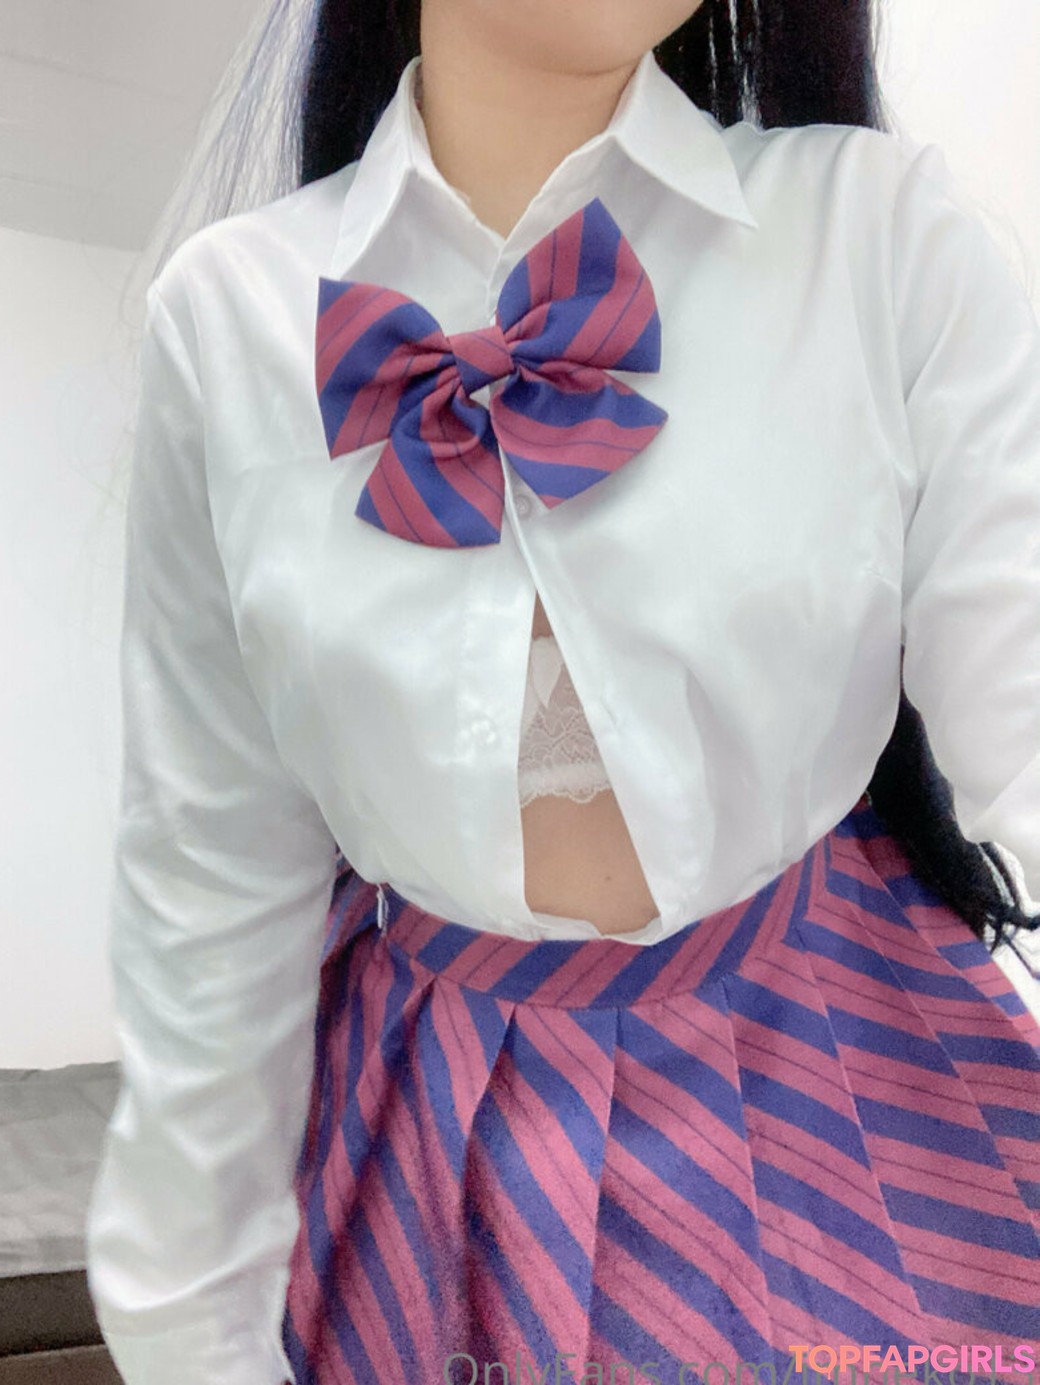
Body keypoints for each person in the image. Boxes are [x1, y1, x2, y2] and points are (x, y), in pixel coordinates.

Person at [85, 1, 1040, 1381]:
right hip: (422, 1138)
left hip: (833, 1069)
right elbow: (211, 873)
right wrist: (190, 1333)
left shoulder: (879, 234)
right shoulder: (229, 317)